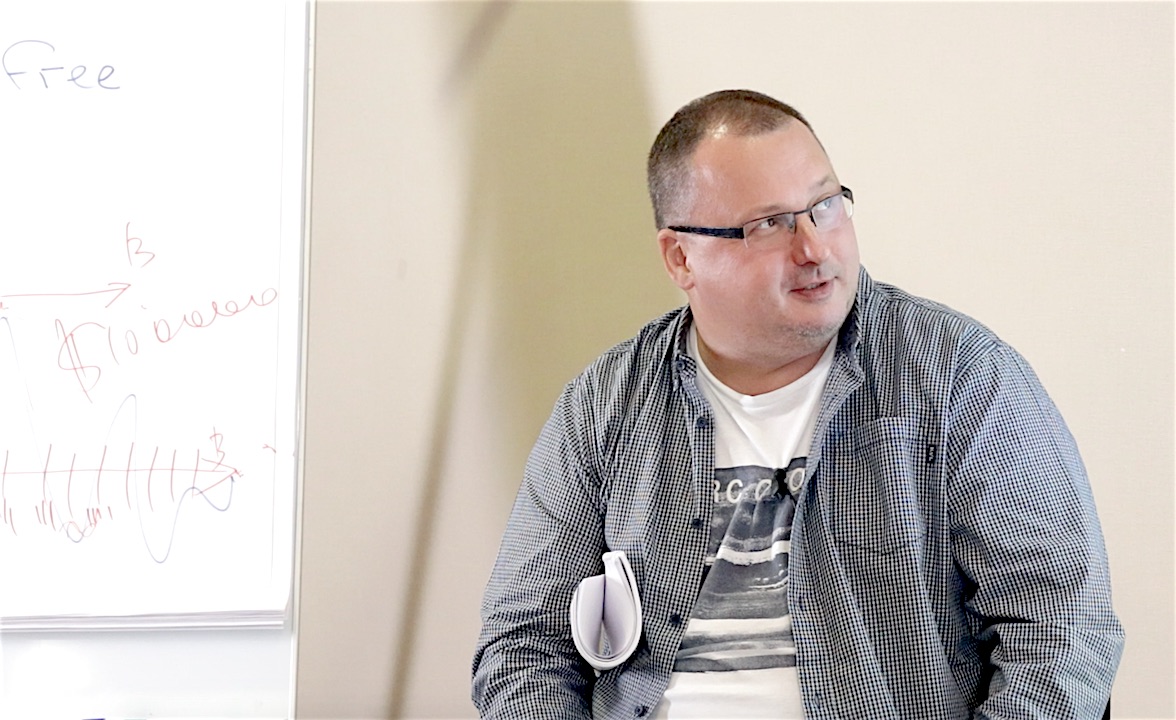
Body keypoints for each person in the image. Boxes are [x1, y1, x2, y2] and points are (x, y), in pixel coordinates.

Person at [471, 89, 1123, 719]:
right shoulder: (605, 405)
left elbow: (1064, 626)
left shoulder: (959, 376)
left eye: (825, 206)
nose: (814, 248)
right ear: (681, 257)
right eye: (770, 225)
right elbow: (523, 646)